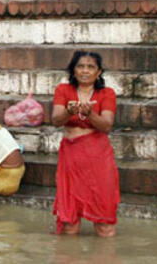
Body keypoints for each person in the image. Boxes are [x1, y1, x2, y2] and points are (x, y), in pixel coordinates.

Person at [51, 51, 119, 237]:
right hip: (71, 157)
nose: (85, 71)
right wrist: (68, 111)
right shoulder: (63, 90)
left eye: (91, 67)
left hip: (97, 155)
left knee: (104, 223)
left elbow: (106, 125)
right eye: (81, 66)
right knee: (69, 225)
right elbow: (56, 120)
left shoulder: (107, 93)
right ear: (73, 70)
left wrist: (90, 114)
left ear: (99, 72)